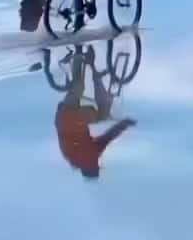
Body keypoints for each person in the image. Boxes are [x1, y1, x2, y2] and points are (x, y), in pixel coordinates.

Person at [54, 45, 136, 180]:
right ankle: (78, 56)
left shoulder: (90, 156)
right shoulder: (70, 158)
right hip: (63, 115)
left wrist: (125, 124)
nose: (97, 163)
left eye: (96, 166)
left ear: (91, 167)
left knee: (103, 112)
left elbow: (108, 137)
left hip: (77, 118)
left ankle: (92, 66)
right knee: (77, 86)